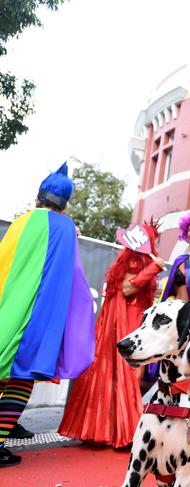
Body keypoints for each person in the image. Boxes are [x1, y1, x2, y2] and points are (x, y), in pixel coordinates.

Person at [0, 163, 95, 467]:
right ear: (65, 204)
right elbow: (73, 277)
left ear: (38, 197)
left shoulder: (20, 222)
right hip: (36, 319)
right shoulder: (66, 228)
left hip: (6, 311)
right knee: (22, 379)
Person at [58, 220, 165, 448]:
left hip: (131, 320)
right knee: (128, 374)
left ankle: (106, 431)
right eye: (152, 237)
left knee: (116, 375)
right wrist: (153, 268)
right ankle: (122, 433)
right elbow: (127, 288)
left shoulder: (138, 259)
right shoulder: (137, 260)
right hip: (129, 321)